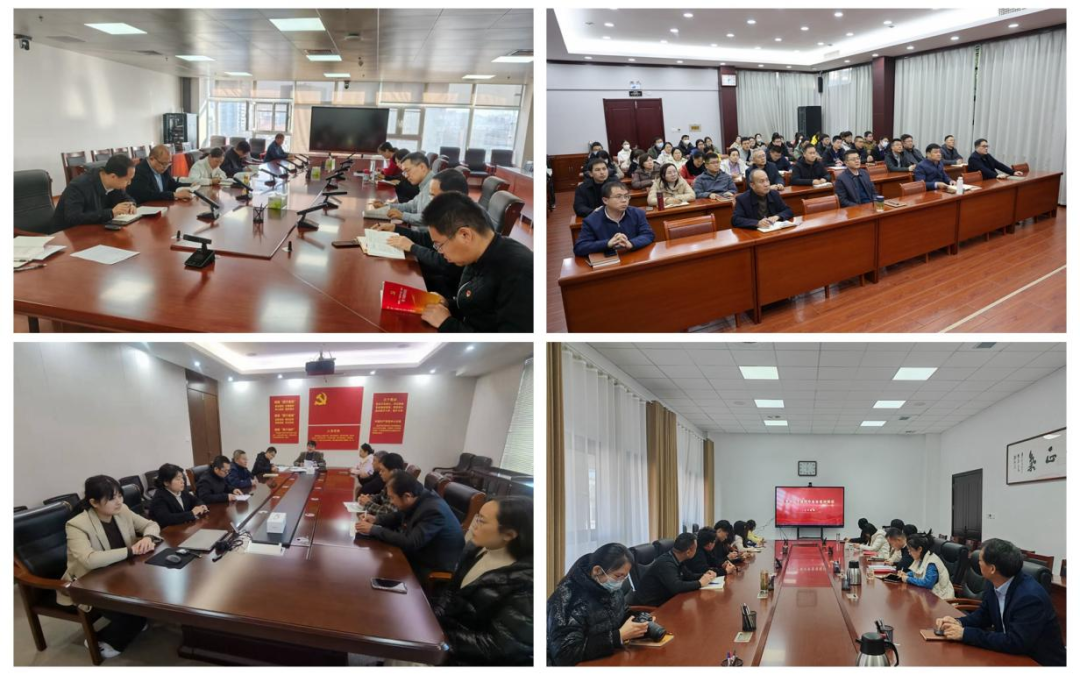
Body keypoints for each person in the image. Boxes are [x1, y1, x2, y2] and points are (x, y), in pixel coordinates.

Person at [60, 475, 160, 659]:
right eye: (112, 498)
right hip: (90, 582)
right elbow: (89, 560)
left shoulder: (123, 510)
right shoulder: (77, 525)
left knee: (154, 595)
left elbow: (151, 524)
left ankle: (132, 623)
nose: (119, 501)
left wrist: (148, 537)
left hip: (121, 573)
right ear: (94, 502)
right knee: (134, 614)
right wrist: (130, 551)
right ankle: (101, 640)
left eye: (120, 496)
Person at [430, 497, 533, 666]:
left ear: (509, 534)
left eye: (482, 521)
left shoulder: (527, 582)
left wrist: (438, 641)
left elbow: (498, 647)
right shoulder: (476, 548)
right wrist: (431, 620)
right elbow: (450, 592)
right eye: (476, 517)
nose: (473, 525)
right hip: (446, 639)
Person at [935, 538, 1065, 666]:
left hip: (1038, 662)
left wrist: (965, 634)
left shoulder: (1030, 597)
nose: (978, 563)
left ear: (992, 569)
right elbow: (982, 616)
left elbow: (1015, 642)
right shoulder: (994, 583)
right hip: (1008, 655)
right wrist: (958, 622)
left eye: (980, 560)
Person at [420, 192, 533, 333]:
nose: (440, 252)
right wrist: (447, 304)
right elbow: (478, 309)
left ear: (465, 235)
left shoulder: (518, 272)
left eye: (439, 245)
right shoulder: (478, 254)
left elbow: (507, 341)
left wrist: (447, 323)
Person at [356, 470, 466, 579]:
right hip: (419, 552)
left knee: (373, 569)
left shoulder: (433, 511)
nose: (391, 502)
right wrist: (376, 519)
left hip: (430, 565)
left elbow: (410, 542)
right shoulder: (420, 497)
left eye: (392, 497)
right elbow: (400, 515)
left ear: (407, 496)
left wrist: (374, 529)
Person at [547, 543, 644, 665]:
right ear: (597, 570)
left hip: (607, 658)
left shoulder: (610, 588)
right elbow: (565, 654)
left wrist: (640, 620)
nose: (620, 582)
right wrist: (618, 636)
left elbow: (621, 612)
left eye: (624, 577)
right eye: (618, 576)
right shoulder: (568, 599)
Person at [49, 153, 137, 232]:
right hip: (67, 234)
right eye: (127, 180)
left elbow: (126, 198)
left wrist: (131, 205)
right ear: (113, 176)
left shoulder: (114, 183)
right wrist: (111, 213)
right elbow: (73, 218)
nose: (129, 183)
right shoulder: (79, 186)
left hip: (95, 229)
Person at [631, 532, 716, 606]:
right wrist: (700, 583)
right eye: (696, 548)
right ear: (688, 552)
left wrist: (705, 575)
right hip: (651, 607)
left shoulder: (677, 558)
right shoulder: (666, 564)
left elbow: (689, 576)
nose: (696, 551)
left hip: (667, 601)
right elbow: (677, 587)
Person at [574, 181, 655, 256]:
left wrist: (631, 243)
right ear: (605, 200)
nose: (624, 200)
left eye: (626, 196)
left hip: (633, 257)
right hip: (609, 262)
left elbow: (648, 234)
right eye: (618, 197)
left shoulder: (637, 213)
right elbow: (580, 247)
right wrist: (607, 243)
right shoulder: (591, 220)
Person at [378, 152, 435, 227]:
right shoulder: (424, 184)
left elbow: (427, 218)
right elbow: (411, 206)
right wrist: (387, 206)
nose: (406, 176)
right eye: (404, 172)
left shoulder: (434, 186)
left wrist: (402, 216)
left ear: (422, 167)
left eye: (407, 170)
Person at [127, 144, 194, 204]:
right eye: (163, 163)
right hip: (144, 207)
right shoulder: (140, 171)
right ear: (151, 159)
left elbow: (171, 184)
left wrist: (190, 185)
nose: (165, 167)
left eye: (168, 163)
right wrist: (174, 195)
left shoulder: (163, 167)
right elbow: (147, 195)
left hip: (161, 205)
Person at [148, 463, 208, 527]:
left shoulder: (181, 491)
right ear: (166, 482)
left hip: (184, 527)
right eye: (178, 479)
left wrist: (201, 505)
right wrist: (192, 513)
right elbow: (166, 519)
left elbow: (195, 500)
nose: (183, 481)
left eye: (182, 477)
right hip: (168, 531)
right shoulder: (159, 498)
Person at [899, 532, 954, 599]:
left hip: (940, 598)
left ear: (920, 549)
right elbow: (918, 572)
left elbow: (928, 584)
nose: (909, 553)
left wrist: (908, 579)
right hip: (926, 595)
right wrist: (907, 574)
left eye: (910, 550)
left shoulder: (931, 563)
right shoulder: (921, 558)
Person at [357, 452, 406, 517]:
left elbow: (387, 512)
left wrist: (368, 503)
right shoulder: (390, 481)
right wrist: (369, 498)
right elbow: (380, 496)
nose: (380, 473)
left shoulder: (398, 485)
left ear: (393, 471)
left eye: (383, 470)